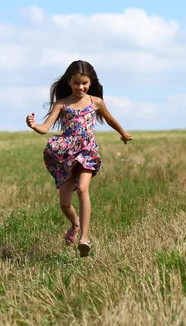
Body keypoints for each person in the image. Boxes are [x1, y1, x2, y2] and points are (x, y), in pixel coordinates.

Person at [26, 60, 132, 257]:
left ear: (90, 82)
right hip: (65, 153)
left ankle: (84, 239)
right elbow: (44, 128)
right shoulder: (62, 103)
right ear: (69, 81)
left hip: (87, 150)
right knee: (65, 204)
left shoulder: (96, 102)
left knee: (83, 189)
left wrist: (123, 133)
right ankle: (74, 224)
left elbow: (110, 119)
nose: (80, 87)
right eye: (76, 83)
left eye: (84, 83)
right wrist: (33, 125)